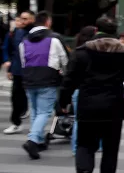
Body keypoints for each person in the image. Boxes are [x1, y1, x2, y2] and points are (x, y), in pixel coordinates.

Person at [60, 16, 124, 173]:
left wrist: (62, 102)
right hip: (114, 105)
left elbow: (69, 80)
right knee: (111, 148)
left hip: (87, 104)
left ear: (96, 29)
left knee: (85, 143)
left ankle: (84, 172)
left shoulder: (82, 52)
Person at [19, 11, 69, 159]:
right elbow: (64, 59)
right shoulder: (54, 39)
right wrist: (64, 74)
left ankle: (39, 140)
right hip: (48, 79)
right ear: (48, 22)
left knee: (35, 110)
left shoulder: (24, 40)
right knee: (44, 112)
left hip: (29, 79)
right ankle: (33, 139)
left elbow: (23, 61)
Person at [2, 10, 34, 135]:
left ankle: (36, 127)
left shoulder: (35, 33)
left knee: (35, 97)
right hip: (18, 70)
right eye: (21, 18)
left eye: (26, 19)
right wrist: (9, 67)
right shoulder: (15, 33)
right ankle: (16, 123)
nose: (22, 21)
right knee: (15, 96)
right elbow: (12, 51)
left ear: (32, 20)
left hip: (34, 70)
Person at [69, 26, 97, 156]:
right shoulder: (97, 53)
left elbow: (69, 76)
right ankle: (98, 145)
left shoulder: (76, 53)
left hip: (78, 89)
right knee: (98, 119)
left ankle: (76, 147)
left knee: (78, 120)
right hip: (94, 89)